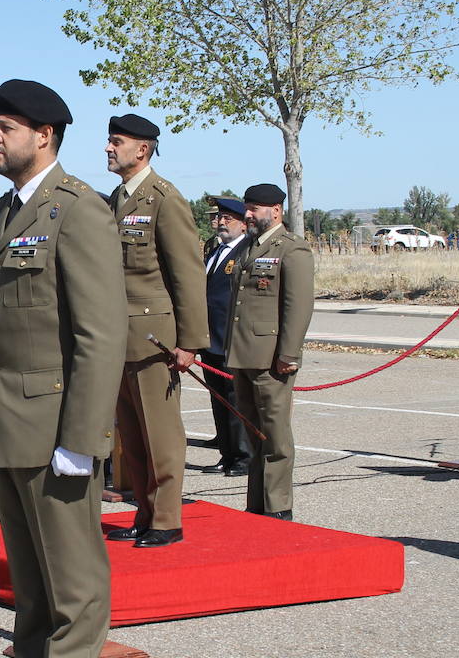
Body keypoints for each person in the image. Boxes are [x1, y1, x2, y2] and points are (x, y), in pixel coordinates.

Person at [0, 79, 126, 658]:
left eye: (5, 127)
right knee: (30, 576)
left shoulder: (78, 210)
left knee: (72, 577)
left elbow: (100, 334)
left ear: (44, 136)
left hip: (57, 426)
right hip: (12, 422)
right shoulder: (3, 214)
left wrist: (82, 439)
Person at [100, 114, 208, 548]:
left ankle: (167, 519)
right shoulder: (116, 199)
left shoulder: (164, 198)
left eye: (116, 142)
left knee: (161, 435)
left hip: (154, 340)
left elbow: (187, 274)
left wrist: (190, 342)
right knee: (132, 437)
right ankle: (144, 513)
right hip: (119, 337)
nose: (108, 148)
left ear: (142, 149)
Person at [226, 183, 315, 521]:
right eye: (247, 208)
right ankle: (257, 504)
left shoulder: (292, 250)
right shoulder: (248, 247)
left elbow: (298, 306)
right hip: (243, 354)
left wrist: (289, 354)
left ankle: (278, 506)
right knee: (254, 434)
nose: (247, 215)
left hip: (272, 357)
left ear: (275, 210)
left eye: (254, 209)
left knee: (275, 436)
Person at [199, 197, 251, 476]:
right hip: (210, 339)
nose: (220, 222)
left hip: (230, 338)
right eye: (218, 218)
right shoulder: (214, 251)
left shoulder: (246, 250)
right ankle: (227, 453)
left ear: (243, 224)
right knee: (218, 400)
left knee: (235, 401)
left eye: (227, 218)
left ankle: (243, 457)